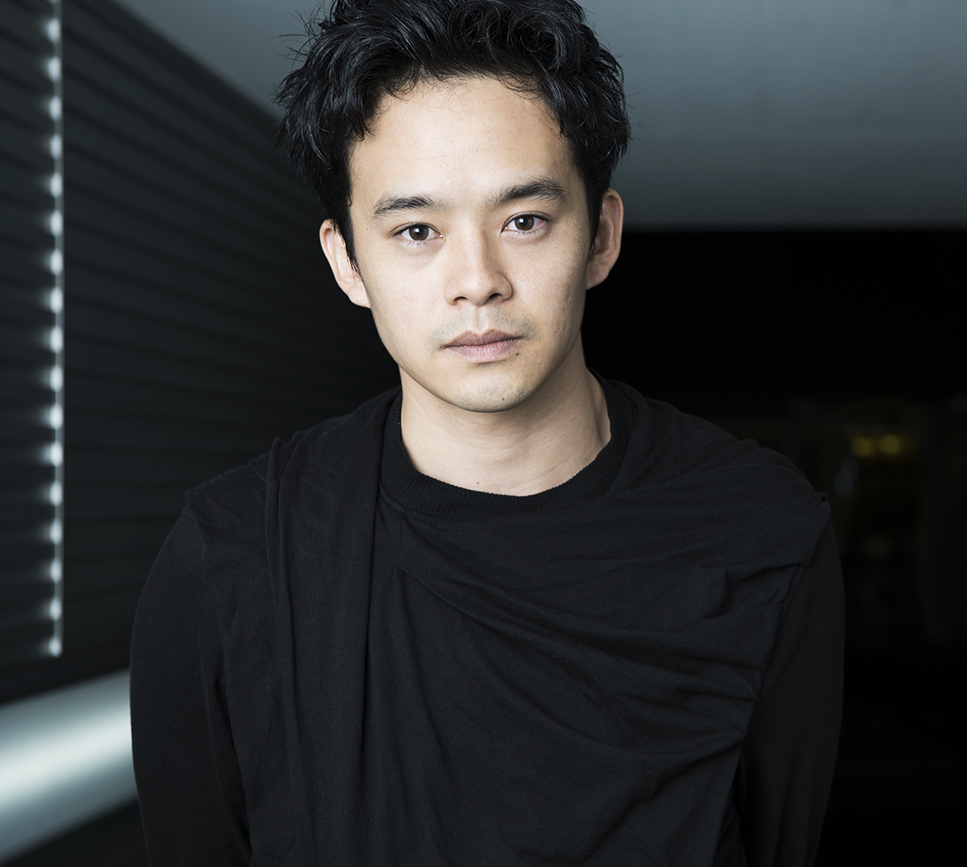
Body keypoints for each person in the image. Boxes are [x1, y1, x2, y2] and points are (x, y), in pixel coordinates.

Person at [129, 1, 844, 864]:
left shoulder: (764, 531)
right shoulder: (232, 557)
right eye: (416, 231)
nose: (477, 281)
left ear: (601, 235)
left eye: (524, 220)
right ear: (347, 262)